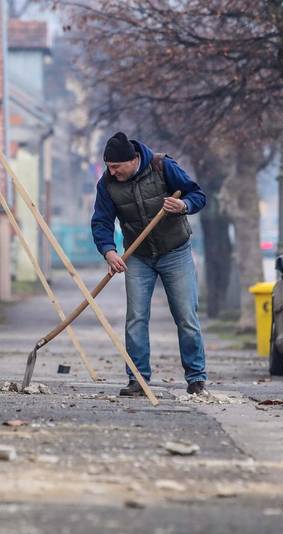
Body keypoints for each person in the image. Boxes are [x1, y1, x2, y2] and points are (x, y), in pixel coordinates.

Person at [90, 132, 207, 396]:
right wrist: (109, 251)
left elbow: (197, 194)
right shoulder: (107, 184)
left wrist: (183, 205)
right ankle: (138, 379)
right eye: (109, 166)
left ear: (133, 160)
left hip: (175, 251)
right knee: (136, 319)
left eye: (116, 166)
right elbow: (101, 222)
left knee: (186, 315)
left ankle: (197, 378)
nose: (112, 171)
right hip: (138, 257)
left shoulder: (162, 166)